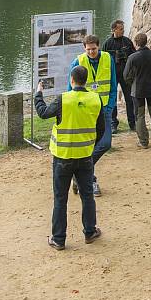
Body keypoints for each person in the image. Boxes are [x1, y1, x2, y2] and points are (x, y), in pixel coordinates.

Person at [35, 65, 104, 249]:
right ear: (86, 80)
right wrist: (89, 145)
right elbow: (101, 129)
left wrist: (38, 94)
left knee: (60, 198)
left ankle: (58, 239)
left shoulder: (63, 99)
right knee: (87, 195)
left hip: (63, 157)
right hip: (85, 156)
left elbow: (43, 113)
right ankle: (90, 232)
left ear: (71, 80)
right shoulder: (95, 99)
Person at [69, 35, 117, 196]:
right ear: (84, 48)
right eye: (88, 49)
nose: (91, 52)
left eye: (94, 49)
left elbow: (113, 84)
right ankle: (90, 180)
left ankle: (78, 174)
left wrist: (110, 106)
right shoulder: (78, 62)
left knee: (105, 144)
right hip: (86, 112)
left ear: (99, 47)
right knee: (87, 147)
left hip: (104, 110)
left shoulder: (108, 59)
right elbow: (71, 90)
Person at [124, 32, 151, 148]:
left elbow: (126, 75)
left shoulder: (132, 57)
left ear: (136, 43)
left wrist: (132, 83)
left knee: (139, 115)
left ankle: (143, 141)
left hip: (137, 90)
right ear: (146, 42)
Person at [102, 19, 136, 134]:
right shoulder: (107, 43)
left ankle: (132, 123)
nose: (123, 31)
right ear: (114, 29)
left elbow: (134, 57)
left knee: (129, 99)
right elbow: (103, 61)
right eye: (120, 29)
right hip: (113, 75)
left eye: (123, 28)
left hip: (126, 75)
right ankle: (113, 124)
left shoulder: (127, 42)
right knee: (113, 100)